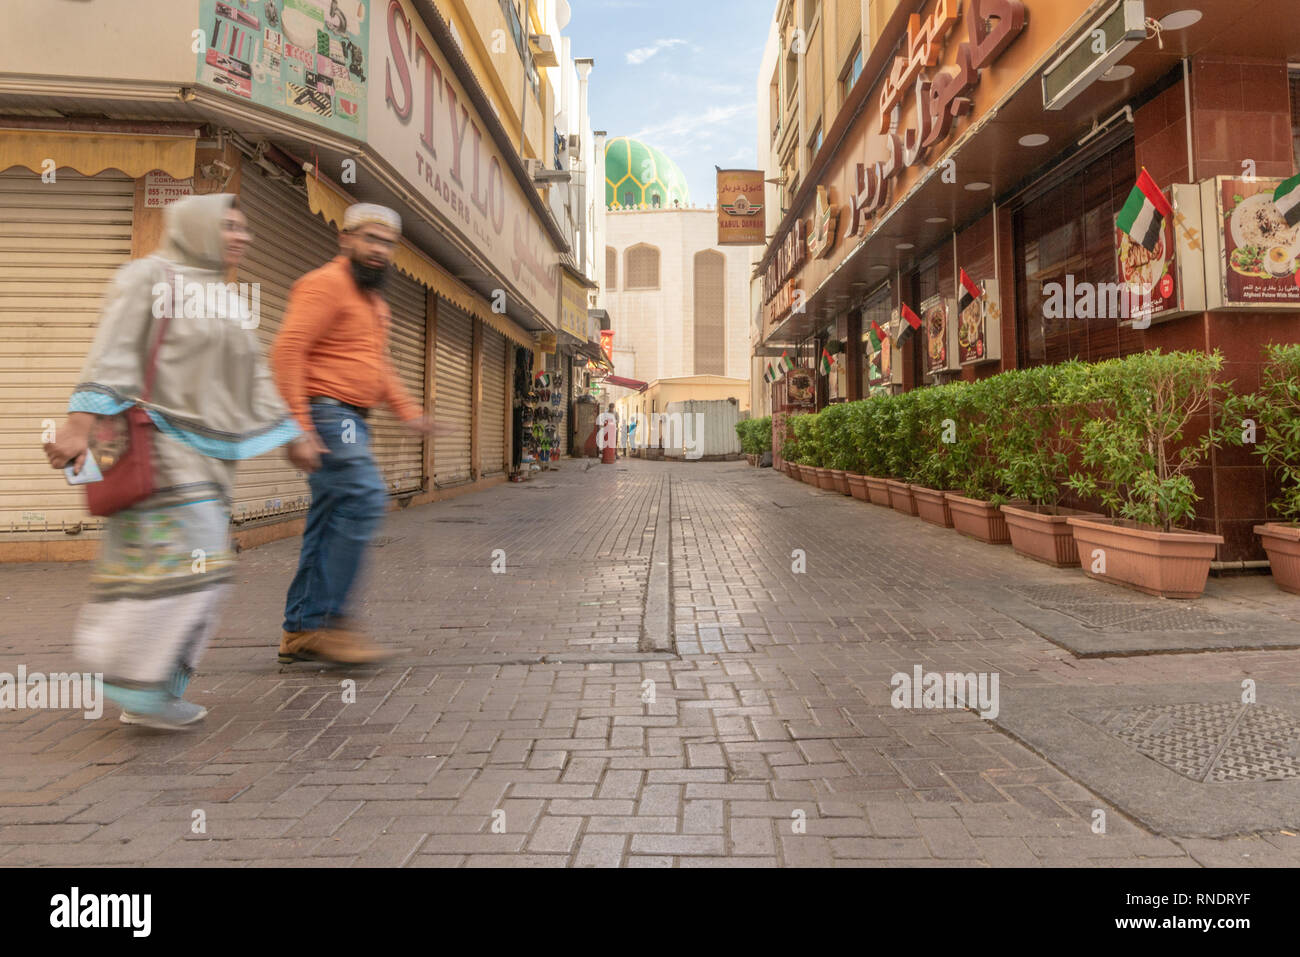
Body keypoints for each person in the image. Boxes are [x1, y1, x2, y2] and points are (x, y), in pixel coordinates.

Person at [44, 194, 306, 729]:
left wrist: (291, 435)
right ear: (197, 226)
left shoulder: (228, 300)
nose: (242, 237)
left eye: (244, 228)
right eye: (229, 226)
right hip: (158, 454)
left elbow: (252, 378)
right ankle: (131, 678)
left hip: (208, 462)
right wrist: (78, 424)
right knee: (194, 569)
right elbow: (114, 351)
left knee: (194, 572)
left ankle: (152, 686)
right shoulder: (151, 277)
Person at [271, 203, 447, 665]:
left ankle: (302, 629)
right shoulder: (324, 284)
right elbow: (287, 351)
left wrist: (409, 413)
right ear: (345, 239)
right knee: (365, 496)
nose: (378, 250)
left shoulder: (374, 304)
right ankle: (332, 623)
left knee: (328, 520)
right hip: (329, 415)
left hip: (353, 419)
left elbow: (378, 365)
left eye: (387, 243)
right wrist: (298, 428)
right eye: (370, 239)